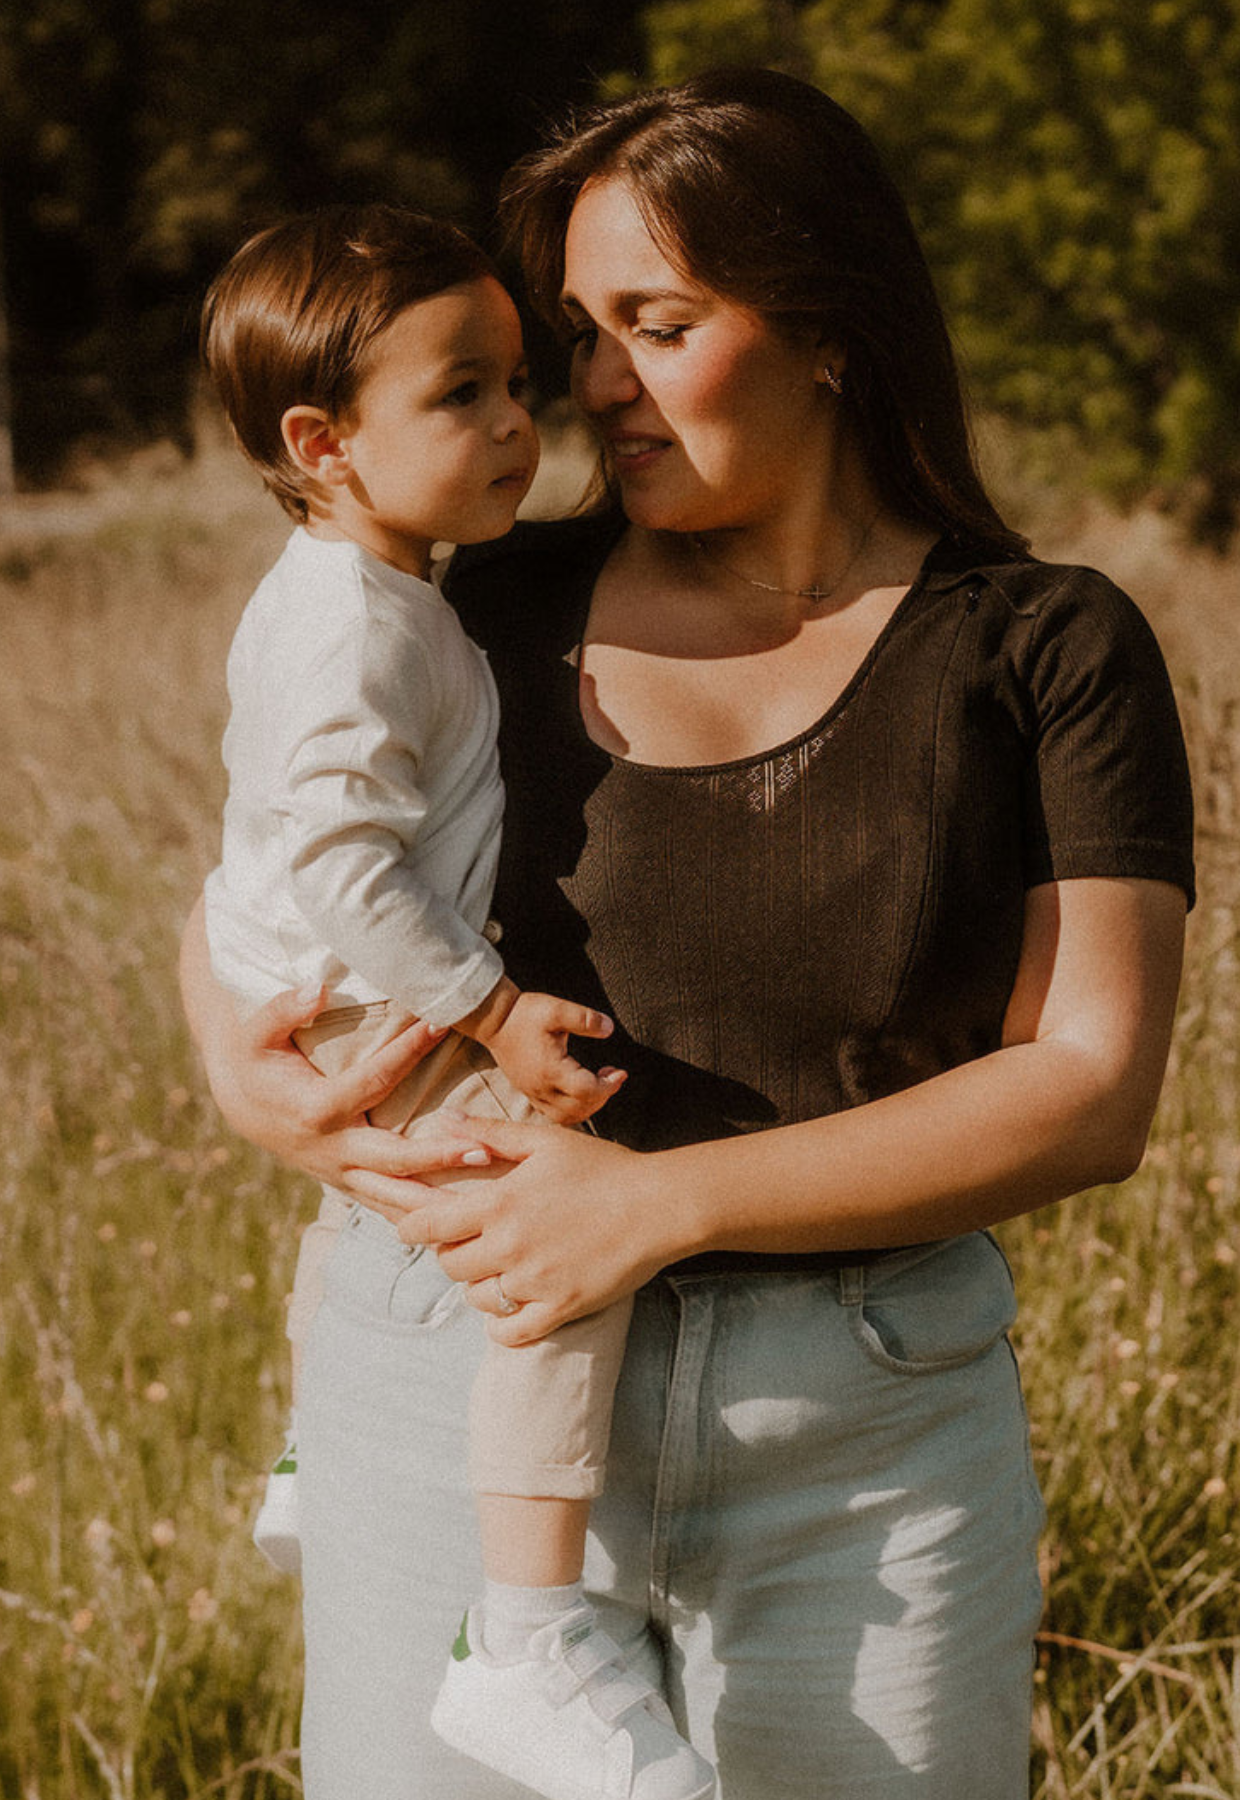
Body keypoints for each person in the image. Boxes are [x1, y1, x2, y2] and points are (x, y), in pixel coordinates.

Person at [181, 68, 1195, 1800]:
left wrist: (662, 1203)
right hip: (444, 1373)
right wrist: (232, 1062)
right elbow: (283, 857)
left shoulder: (1046, 648)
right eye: (581, 332)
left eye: (654, 322)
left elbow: (1092, 1085)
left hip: (862, 1443)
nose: (591, 387)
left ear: (826, 327)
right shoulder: (468, 601)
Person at [197, 202, 715, 1800]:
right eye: (465, 394)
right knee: (555, 1241)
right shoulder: (363, 628)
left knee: (384, 1194)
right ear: (323, 440)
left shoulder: (360, 588)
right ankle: (530, 1637)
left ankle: (306, 1456)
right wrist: (492, 1017)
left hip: (308, 975)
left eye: (515, 380)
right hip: (381, 996)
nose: (520, 421)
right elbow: (349, 867)